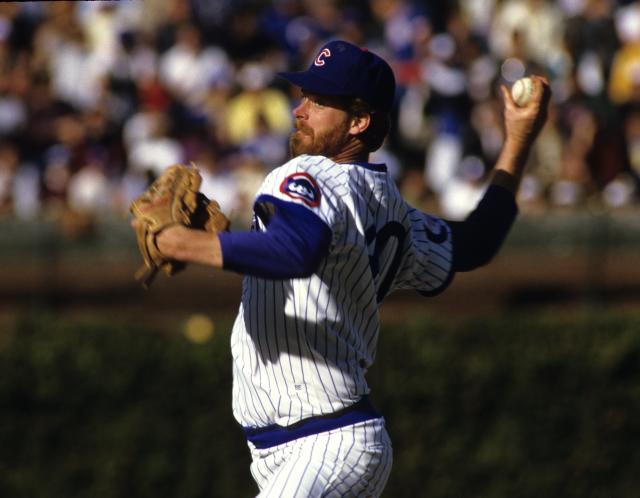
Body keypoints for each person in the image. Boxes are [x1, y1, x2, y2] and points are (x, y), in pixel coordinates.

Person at [152, 40, 551, 497]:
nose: (300, 110)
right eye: (304, 96)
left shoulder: (307, 174)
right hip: (321, 447)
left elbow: (295, 252)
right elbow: (478, 242)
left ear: (358, 122)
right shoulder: (392, 209)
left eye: (319, 102)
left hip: (324, 445)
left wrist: (178, 242)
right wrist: (518, 139)